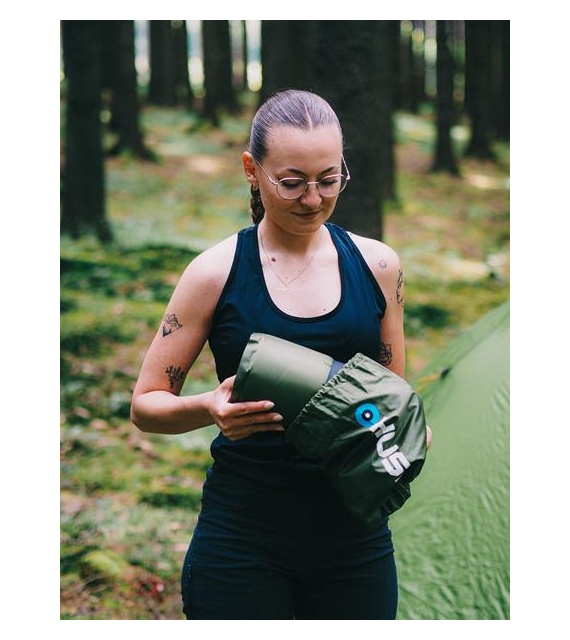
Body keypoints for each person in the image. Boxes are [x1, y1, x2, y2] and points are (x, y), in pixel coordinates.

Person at [131, 89, 431, 620]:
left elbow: (392, 398)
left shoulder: (379, 266)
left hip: (354, 540)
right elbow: (146, 404)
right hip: (242, 539)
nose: (312, 199)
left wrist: (410, 433)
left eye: (329, 180)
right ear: (252, 170)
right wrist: (208, 408)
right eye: (291, 183)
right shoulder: (215, 273)